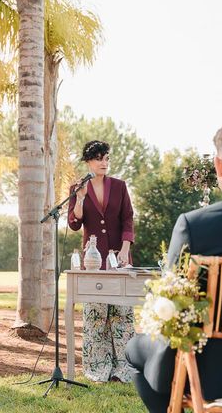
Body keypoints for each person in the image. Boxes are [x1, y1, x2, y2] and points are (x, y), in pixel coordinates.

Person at [125, 118, 222, 412]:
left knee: (136, 350)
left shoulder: (195, 225)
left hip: (213, 376)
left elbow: (169, 301)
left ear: (219, 167)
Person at [68, 140, 136, 383]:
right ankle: (98, 369)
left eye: (106, 158)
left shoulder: (119, 186)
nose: (104, 163)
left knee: (122, 313)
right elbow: (74, 223)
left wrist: (125, 248)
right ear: (88, 161)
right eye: (99, 158)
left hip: (120, 256)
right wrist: (79, 199)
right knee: (96, 313)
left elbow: (128, 218)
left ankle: (124, 370)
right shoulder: (78, 187)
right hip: (93, 258)